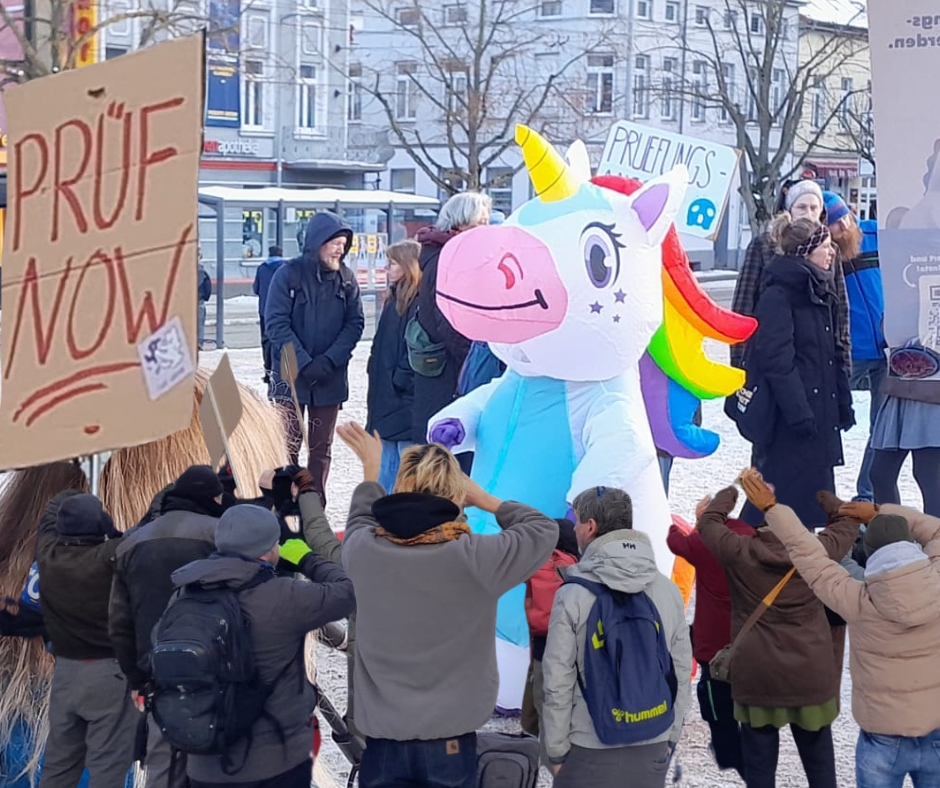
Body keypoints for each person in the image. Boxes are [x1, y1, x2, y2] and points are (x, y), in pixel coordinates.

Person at [335, 422, 557, 788]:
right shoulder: (477, 560)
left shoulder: (363, 551)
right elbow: (542, 531)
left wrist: (371, 472)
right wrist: (485, 499)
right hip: (450, 741)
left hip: (383, 742)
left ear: (400, 486)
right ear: (457, 494)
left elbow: (360, 519)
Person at [757, 483, 940, 788]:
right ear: (912, 544)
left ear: (869, 554)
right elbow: (936, 531)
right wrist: (880, 511)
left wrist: (772, 510)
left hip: (882, 737)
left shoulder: (857, 600)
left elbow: (811, 557)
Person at [169, 505, 355, 788]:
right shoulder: (285, 597)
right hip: (275, 764)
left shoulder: (184, 594)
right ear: (269, 549)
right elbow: (347, 591)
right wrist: (306, 560)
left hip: (204, 762)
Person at [697, 479, 860, 788]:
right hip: (810, 674)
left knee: (759, 768)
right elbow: (848, 521)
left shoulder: (738, 551)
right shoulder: (819, 552)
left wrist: (730, 494)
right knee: (820, 765)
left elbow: (708, 523)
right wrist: (825, 498)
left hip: (758, 675)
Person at [541, 487, 692, 788]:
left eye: (578, 522)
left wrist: (556, 752)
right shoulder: (666, 589)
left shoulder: (573, 594)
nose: (575, 529)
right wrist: (670, 738)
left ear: (591, 526)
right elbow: (681, 671)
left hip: (589, 744)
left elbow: (557, 681)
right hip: (653, 738)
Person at [109, 465, 226, 788]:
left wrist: (136, 677)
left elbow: (119, 624)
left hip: (158, 675)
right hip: (213, 670)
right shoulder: (221, 536)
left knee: (162, 765)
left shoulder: (130, 544)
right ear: (210, 498)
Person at [739, 214, 854, 529]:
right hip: (791, 422)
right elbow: (778, 360)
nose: (832, 253)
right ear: (806, 251)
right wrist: (800, 414)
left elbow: (830, 357)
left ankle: (794, 570)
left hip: (816, 419)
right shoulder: (779, 294)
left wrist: (842, 404)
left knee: (807, 508)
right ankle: (752, 564)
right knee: (778, 509)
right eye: (825, 247)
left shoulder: (818, 289)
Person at [264, 211, 365, 507]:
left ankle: (314, 505)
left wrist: (329, 361)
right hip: (291, 379)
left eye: (344, 243)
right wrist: (304, 362)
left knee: (321, 450)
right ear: (317, 242)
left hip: (329, 381)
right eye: (334, 242)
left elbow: (355, 324)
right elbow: (276, 323)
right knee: (287, 446)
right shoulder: (289, 274)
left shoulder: (346, 279)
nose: (340, 249)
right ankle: (286, 504)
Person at [36, 491, 136, 788]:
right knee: (108, 766)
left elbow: (48, 516)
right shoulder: (112, 557)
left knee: (58, 765)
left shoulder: (48, 554)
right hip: (109, 674)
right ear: (98, 525)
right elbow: (147, 531)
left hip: (65, 673)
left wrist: (72, 493)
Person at [666, 496, 753, 777]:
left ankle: (731, 755)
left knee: (714, 698)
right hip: (749, 640)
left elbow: (674, 540)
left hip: (714, 640)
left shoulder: (704, 545)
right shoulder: (748, 539)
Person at [730, 180, 850, 370]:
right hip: (771, 352)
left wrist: (843, 365)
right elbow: (743, 306)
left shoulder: (830, 250)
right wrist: (740, 364)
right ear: (789, 210)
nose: (809, 214)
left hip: (818, 356)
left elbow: (840, 310)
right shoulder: (763, 245)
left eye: (814, 207)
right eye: (801, 207)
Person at [412, 192, 491, 469]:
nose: (487, 229)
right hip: (446, 373)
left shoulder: (450, 255)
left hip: (448, 369)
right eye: (480, 222)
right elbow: (447, 320)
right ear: (459, 225)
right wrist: (474, 355)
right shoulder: (446, 258)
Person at [824, 192, 887, 503]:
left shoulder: (876, 234)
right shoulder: (825, 254)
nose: (842, 228)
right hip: (851, 353)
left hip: (889, 351)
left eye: (844, 219)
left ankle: (867, 494)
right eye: (834, 224)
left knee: (882, 428)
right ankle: (821, 492)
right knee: (826, 420)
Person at [366, 239, 422, 492]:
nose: (388, 268)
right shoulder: (395, 296)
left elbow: (415, 347)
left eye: (393, 263)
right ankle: (380, 513)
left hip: (402, 394)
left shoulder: (417, 300)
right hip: (387, 392)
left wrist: (400, 379)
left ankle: (393, 515)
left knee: (403, 462)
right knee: (386, 460)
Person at [521, 519, 578, 744]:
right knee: (559, 686)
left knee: (536, 678)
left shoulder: (538, 562)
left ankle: (529, 729)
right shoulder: (575, 564)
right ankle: (556, 737)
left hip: (540, 634)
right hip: (565, 634)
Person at [869, 374, 940, 518]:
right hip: (899, 391)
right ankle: (892, 533)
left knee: (927, 475)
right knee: (880, 475)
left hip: (933, 398)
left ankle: (936, 534)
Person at [253, 245, 287, 383]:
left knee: (266, 341)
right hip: (283, 309)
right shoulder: (286, 268)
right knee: (282, 340)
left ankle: (268, 372)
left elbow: (256, 288)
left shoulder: (262, 268)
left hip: (264, 309)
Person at [198, 255, 212, 351]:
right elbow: (208, 288)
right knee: (199, 324)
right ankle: (199, 343)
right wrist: (204, 297)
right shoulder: (203, 273)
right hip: (199, 302)